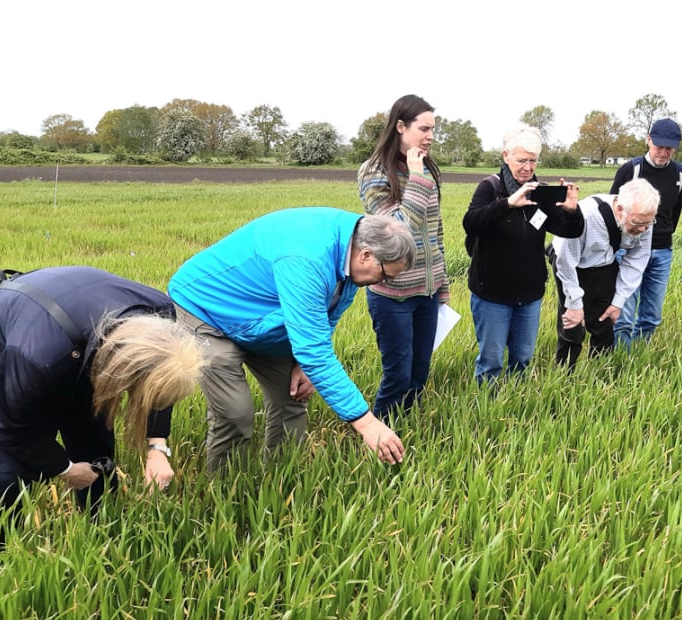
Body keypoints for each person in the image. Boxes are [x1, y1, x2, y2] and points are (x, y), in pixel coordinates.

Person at [168, 208, 416, 472]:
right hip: (208, 311)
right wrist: (366, 423)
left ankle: (279, 480)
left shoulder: (352, 253)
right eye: (386, 275)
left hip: (265, 316)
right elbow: (315, 352)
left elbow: (328, 311)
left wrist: (302, 362)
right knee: (235, 412)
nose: (384, 282)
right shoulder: (306, 258)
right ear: (366, 255)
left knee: (293, 396)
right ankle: (227, 492)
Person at [0, 266, 204, 542]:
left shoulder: (161, 315)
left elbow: (158, 386)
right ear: (122, 372)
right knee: (5, 465)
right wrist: (65, 469)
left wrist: (157, 447)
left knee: (95, 445)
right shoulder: (40, 357)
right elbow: (9, 427)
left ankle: (102, 529)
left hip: (76, 334)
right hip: (7, 342)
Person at [462, 126, 583, 383]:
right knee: (491, 361)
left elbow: (568, 231)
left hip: (529, 295)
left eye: (533, 160)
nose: (528, 167)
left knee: (523, 359)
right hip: (491, 294)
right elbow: (471, 222)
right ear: (506, 156)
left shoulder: (540, 193)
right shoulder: (490, 188)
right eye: (521, 160)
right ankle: (487, 409)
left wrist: (572, 212)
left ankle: (516, 405)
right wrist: (507, 204)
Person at [358, 94, 449, 421]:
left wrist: (442, 284)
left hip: (426, 292)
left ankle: (406, 426)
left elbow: (435, 231)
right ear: (400, 126)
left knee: (420, 371)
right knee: (397, 373)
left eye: (433, 129)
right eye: (424, 128)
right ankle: (381, 431)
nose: (430, 136)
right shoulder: (373, 173)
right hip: (392, 295)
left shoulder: (425, 168)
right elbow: (397, 231)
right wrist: (417, 176)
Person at [550, 178, 661, 368]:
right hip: (572, 266)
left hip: (605, 265)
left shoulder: (644, 219)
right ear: (619, 209)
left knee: (605, 323)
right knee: (573, 325)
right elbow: (565, 262)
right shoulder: (586, 215)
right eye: (637, 223)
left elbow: (636, 261)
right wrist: (575, 304)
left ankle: (602, 372)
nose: (642, 229)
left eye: (648, 224)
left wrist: (618, 302)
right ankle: (564, 375)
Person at [609, 118, 682, 346]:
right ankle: (620, 359)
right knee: (624, 313)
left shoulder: (680, 174)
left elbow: (675, 212)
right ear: (648, 140)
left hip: (662, 251)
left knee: (651, 316)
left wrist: (663, 234)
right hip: (629, 250)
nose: (663, 153)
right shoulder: (631, 170)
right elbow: (613, 208)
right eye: (659, 146)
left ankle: (641, 354)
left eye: (669, 148)